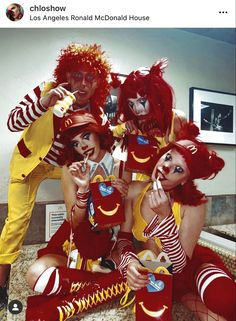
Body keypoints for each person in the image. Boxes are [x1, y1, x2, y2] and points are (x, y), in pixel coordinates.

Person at [0, 43, 111, 310]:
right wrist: (42, 104)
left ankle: (90, 260)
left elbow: (106, 148)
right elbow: (12, 122)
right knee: (15, 224)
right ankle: (1, 285)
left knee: (85, 205)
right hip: (29, 163)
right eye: (76, 75)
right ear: (66, 74)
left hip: (64, 168)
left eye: (90, 78)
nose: (82, 84)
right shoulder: (47, 90)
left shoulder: (98, 114)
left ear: (98, 83)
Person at [114, 122, 235, 321]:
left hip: (192, 267)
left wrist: (165, 217)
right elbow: (123, 239)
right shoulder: (135, 190)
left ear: (184, 180)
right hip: (157, 273)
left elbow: (178, 265)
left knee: (225, 300)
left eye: (178, 169)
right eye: (168, 157)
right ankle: (187, 297)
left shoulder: (194, 205)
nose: (166, 166)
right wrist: (130, 263)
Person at [25, 111, 131, 321]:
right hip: (74, 238)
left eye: (85, 136)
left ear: (97, 133)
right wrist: (83, 190)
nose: (82, 146)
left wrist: (123, 196)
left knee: (49, 280)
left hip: (108, 242)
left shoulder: (121, 166)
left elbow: (125, 221)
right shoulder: (70, 169)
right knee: (34, 275)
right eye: (74, 143)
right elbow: (74, 220)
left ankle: (100, 281)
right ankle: (112, 283)